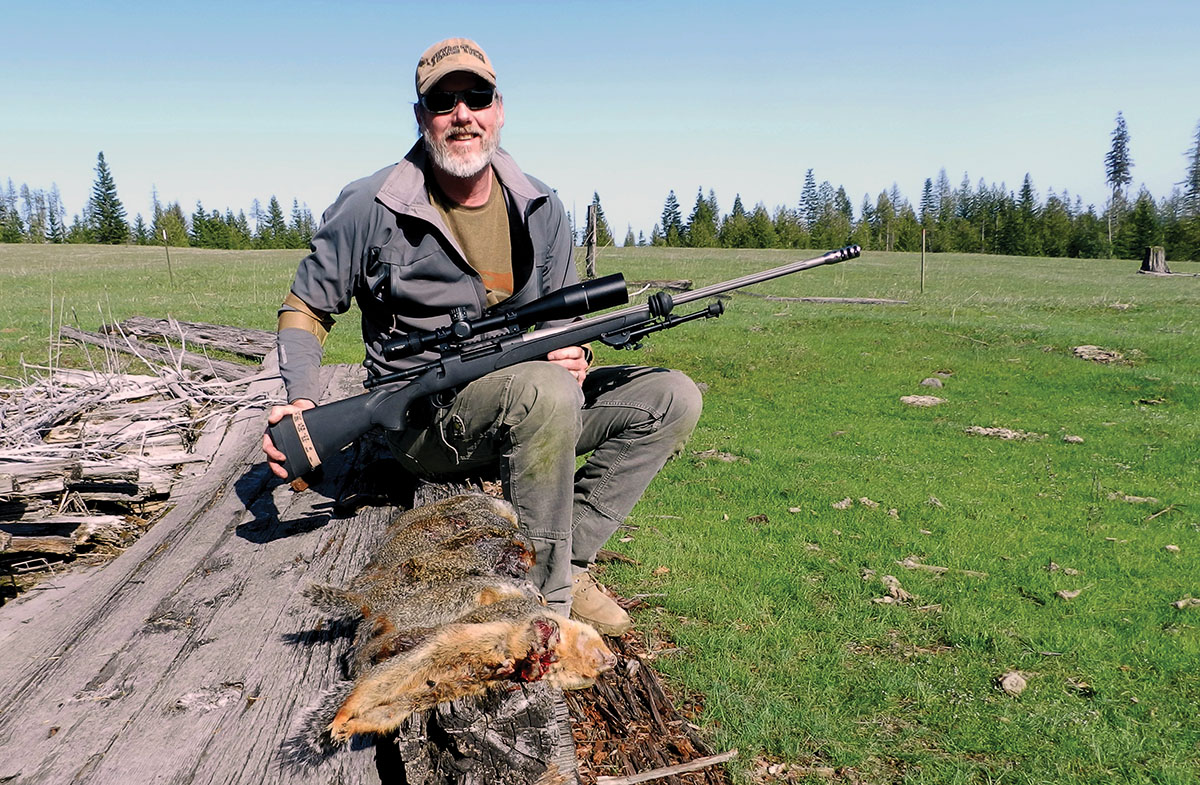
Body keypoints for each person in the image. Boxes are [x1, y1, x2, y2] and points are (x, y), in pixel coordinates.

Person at [261, 38, 702, 635]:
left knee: (672, 397)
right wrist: (303, 395)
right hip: (427, 416)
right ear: (421, 117)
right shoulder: (372, 203)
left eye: (477, 97)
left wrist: (575, 349)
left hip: (533, 397)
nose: (461, 114)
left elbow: (563, 318)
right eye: (443, 103)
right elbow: (305, 307)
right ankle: (541, 618)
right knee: (546, 392)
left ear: (499, 108)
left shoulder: (539, 204)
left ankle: (566, 562)